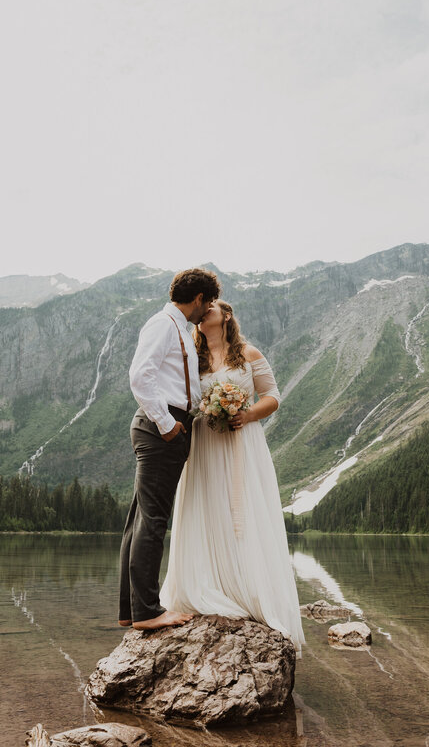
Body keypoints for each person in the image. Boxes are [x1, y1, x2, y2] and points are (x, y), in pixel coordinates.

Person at [160, 301, 305, 650]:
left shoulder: (248, 352)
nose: (204, 310)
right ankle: (206, 585)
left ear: (226, 316)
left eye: (212, 307)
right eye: (201, 307)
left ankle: (247, 589)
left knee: (241, 509)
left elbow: (273, 396)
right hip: (205, 441)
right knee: (205, 506)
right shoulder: (193, 360)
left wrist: (248, 414)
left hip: (241, 439)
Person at [118, 267, 220, 631]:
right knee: (154, 521)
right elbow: (140, 376)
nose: (204, 311)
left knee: (140, 521)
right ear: (197, 299)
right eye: (205, 304)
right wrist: (168, 427)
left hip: (164, 426)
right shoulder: (164, 324)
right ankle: (147, 612)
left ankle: (132, 610)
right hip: (161, 428)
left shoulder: (176, 326)